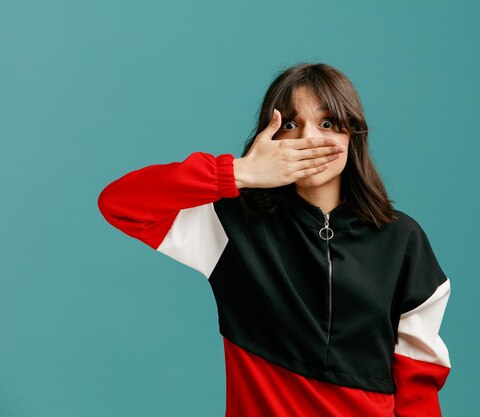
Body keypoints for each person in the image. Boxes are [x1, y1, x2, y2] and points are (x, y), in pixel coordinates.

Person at [97, 62, 452, 417]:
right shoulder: (231, 224)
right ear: (271, 137)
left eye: (327, 123)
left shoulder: (403, 240)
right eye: (291, 125)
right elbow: (120, 204)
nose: (309, 139)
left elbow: (418, 378)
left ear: (351, 135)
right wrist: (239, 172)